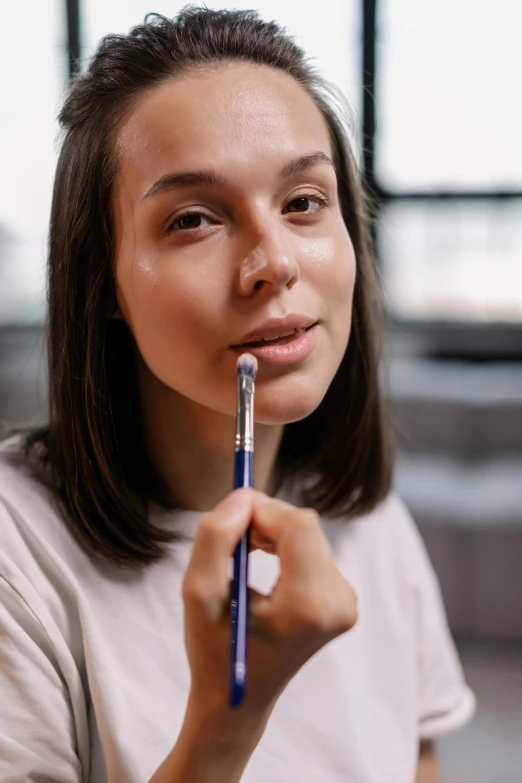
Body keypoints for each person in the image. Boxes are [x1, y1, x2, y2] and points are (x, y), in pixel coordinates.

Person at [0, 7, 476, 783]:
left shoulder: (369, 519)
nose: (273, 263)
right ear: (104, 281)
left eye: (302, 203)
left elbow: (418, 761)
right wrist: (223, 728)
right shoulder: (16, 553)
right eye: (193, 219)